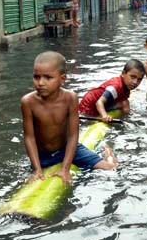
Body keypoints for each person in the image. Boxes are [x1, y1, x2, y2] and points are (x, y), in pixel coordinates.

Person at [21, 51, 117, 184]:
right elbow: (29, 137)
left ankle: (108, 154)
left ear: (62, 79)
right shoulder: (28, 102)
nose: (41, 83)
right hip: (42, 155)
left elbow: (73, 135)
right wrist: (37, 169)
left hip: (67, 148)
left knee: (111, 169)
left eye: (48, 78)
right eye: (36, 77)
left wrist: (65, 169)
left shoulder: (70, 98)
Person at [78, 59, 146, 123]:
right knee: (124, 103)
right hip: (88, 109)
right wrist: (104, 116)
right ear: (123, 73)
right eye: (133, 77)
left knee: (125, 102)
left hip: (96, 102)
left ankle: (126, 118)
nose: (135, 82)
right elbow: (99, 102)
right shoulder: (116, 87)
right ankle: (126, 119)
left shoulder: (125, 85)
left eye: (139, 79)